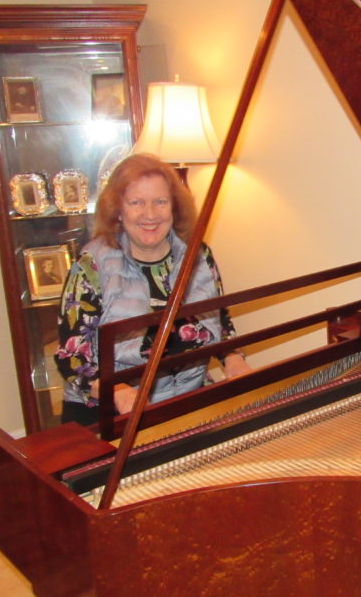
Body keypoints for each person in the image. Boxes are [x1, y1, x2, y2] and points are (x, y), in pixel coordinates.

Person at [56, 153, 251, 426]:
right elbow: (72, 357)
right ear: (119, 210)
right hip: (106, 413)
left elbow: (220, 322)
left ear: (174, 207)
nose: (150, 214)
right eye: (137, 202)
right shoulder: (92, 264)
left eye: (160, 202)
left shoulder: (198, 255)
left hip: (184, 402)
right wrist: (119, 390)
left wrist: (232, 357)